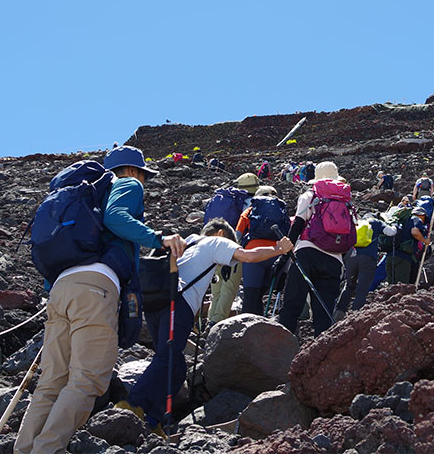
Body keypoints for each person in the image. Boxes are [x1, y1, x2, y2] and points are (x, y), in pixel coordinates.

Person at [16, 146, 188, 454]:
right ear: (134, 170)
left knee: (52, 380)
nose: (143, 182)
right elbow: (115, 217)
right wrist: (158, 238)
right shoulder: (127, 183)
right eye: (143, 175)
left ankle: (25, 448)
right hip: (97, 287)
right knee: (86, 381)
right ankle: (46, 450)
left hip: (61, 288)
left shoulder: (79, 201)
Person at [117, 219, 292, 435]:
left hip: (156, 303)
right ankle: (131, 405)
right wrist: (278, 248)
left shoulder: (190, 241)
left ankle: (152, 420)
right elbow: (249, 256)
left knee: (176, 365)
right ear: (220, 233)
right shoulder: (216, 243)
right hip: (177, 305)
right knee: (168, 358)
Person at [278, 161, 347, 337]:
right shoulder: (345, 201)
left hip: (306, 254)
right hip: (334, 259)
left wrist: (285, 256)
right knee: (323, 312)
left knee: (292, 304)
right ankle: (319, 354)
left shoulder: (310, 195)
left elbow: (298, 224)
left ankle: (282, 347)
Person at [206, 173, 260, 324]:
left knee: (216, 288)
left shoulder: (228, 201)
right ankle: (217, 322)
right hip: (233, 250)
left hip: (213, 245)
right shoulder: (251, 204)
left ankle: (211, 318)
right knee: (229, 287)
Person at [234, 185, 290, 315]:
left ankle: (247, 328)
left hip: (253, 255)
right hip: (276, 254)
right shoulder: (281, 211)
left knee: (251, 295)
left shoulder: (249, 211)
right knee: (263, 293)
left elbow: (237, 235)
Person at [335, 217, 386, 317]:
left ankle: (339, 312)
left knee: (349, 285)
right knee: (362, 288)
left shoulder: (357, 222)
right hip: (368, 259)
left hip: (352, 257)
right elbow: (390, 232)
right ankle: (355, 314)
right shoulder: (376, 222)